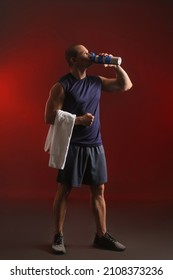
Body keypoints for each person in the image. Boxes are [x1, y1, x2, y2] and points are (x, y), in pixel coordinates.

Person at [45, 44, 133, 254]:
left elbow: (125, 85)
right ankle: (58, 236)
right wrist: (78, 120)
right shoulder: (62, 85)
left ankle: (101, 236)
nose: (90, 54)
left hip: (95, 144)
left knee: (99, 190)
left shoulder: (95, 81)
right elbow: (49, 117)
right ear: (74, 60)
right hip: (72, 145)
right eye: (85, 53)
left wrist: (114, 64)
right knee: (64, 190)